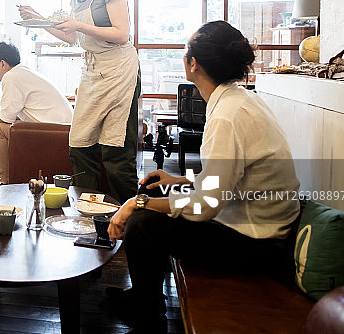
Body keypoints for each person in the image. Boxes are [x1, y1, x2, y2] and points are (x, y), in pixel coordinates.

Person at [107, 21, 300, 333]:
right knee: (154, 190)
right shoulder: (238, 99)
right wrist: (180, 180)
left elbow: (206, 205)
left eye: (185, 51)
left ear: (193, 64)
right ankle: (143, 297)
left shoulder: (227, 115)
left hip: (257, 242)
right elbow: (228, 178)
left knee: (142, 223)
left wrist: (134, 204)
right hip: (255, 224)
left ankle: (148, 320)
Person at [19, 0, 140, 202]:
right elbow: (72, 37)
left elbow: (121, 33)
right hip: (93, 69)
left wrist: (78, 24)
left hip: (119, 69)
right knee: (79, 144)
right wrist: (39, 20)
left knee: (115, 150)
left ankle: (127, 217)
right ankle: (90, 209)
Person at [0, 42, 73, 184]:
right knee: (12, 125)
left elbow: (6, 118)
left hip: (56, 133)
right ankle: (11, 179)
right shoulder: (23, 72)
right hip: (63, 131)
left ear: (2, 64)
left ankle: (5, 182)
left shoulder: (11, 77)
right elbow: (12, 111)